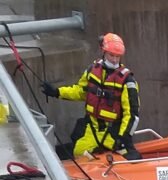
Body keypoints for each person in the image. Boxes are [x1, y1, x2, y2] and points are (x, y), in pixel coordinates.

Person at [42, 33, 141, 161]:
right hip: (92, 129)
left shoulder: (127, 81)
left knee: (130, 159)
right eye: (111, 55)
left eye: (118, 56)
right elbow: (80, 91)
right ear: (103, 52)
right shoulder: (92, 71)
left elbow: (132, 114)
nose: (115, 60)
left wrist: (123, 137)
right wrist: (57, 92)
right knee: (78, 152)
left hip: (114, 132)